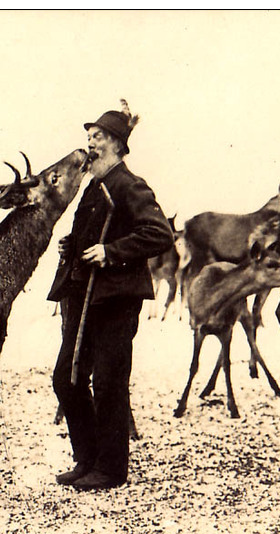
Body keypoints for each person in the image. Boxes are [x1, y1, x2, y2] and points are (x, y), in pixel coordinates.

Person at [48, 106, 174, 489]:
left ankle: (112, 468)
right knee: (65, 380)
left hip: (115, 300)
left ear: (117, 145)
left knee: (108, 383)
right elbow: (89, 235)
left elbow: (159, 234)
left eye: (98, 138)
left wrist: (111, 252)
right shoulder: (92, 187)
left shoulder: (129, 185)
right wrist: (74, 245)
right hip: (83, 297)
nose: (90, 144)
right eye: (89, 137)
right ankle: (87, 459)